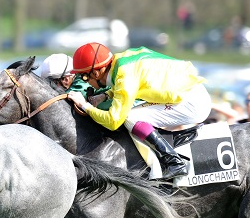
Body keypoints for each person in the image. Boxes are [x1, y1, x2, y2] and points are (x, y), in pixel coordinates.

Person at [68, 43, 212, 180]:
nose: (85, 82)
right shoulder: (121, 62)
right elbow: (135, 83)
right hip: (189, 92)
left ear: (96, 72)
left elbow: (113, 121)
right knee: (133, 114)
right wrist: (105, 95)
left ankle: (173, 162)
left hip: (192, 102)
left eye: (84, 76)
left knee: (130, 117)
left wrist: (85, 105)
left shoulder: (124, 76)